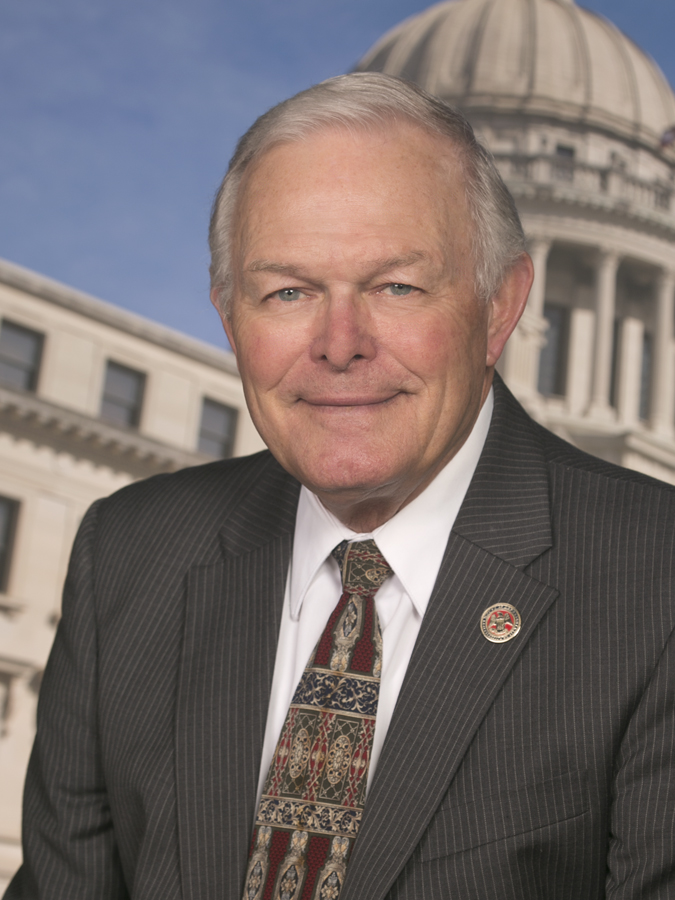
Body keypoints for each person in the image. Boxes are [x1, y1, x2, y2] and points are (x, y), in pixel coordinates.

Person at [5, 73, 675, 900]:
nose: (339, 343)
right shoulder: (130, 552)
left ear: (500, 307)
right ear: (228, 315)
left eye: (396, 285)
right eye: (287, 291)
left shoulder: (654, 576)